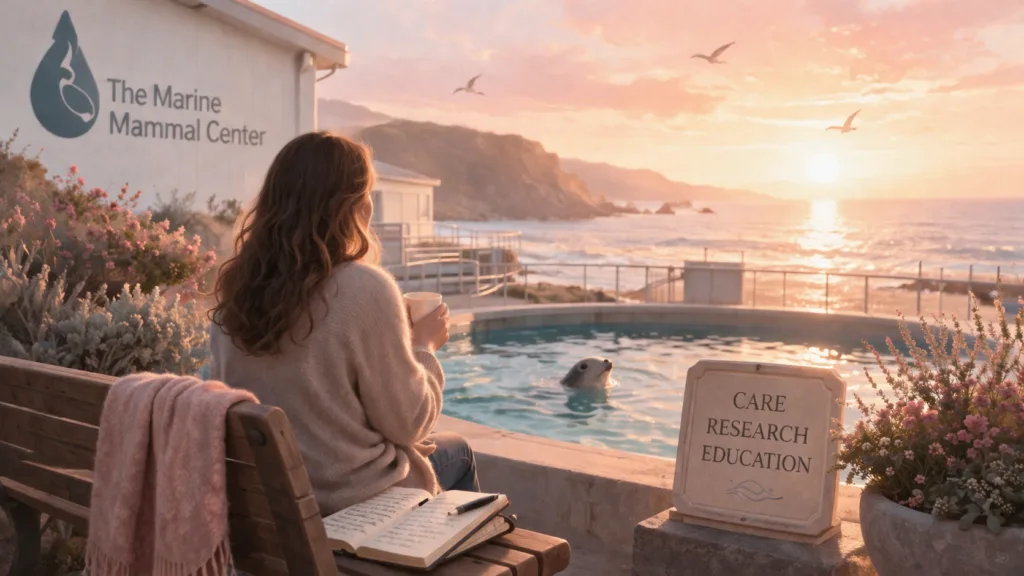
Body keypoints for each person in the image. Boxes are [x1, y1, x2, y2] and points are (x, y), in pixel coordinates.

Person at [208, 131, 479, 516]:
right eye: (367, 192)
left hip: (271, 505)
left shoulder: (235, 292)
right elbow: (410, 424)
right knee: (459, 453)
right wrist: (424, 347)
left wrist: (388, 334)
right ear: (353, 206)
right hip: (352, 506)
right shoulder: (364, 288)